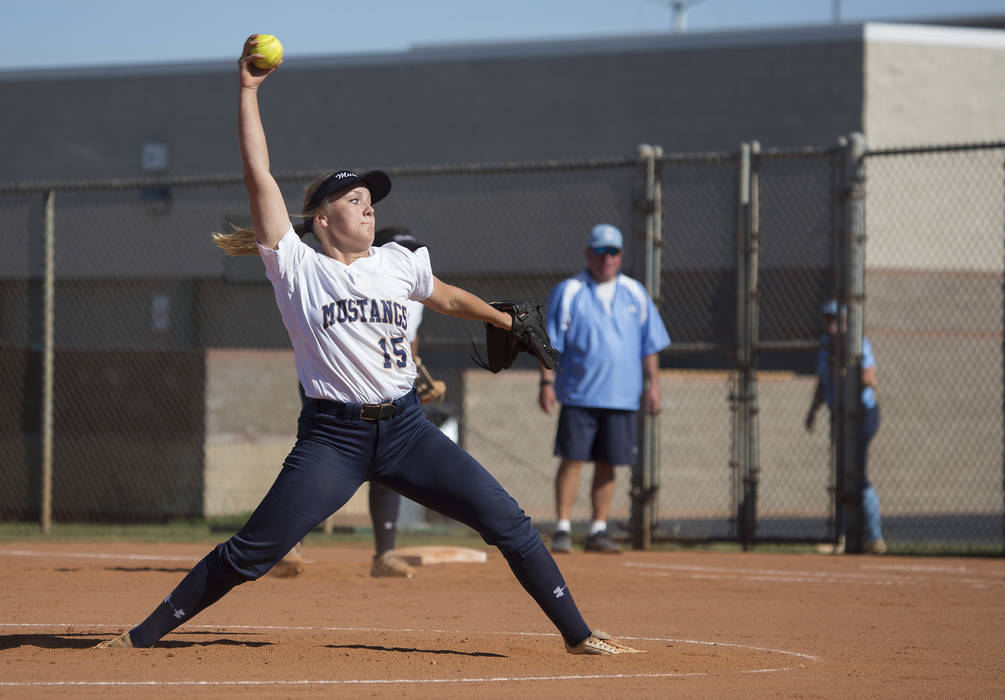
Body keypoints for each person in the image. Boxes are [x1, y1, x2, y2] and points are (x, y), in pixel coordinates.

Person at [96, 36, 638, 656]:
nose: (369, 208)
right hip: (334, 440)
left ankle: (579, 635)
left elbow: (450, 299)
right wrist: (247, 92)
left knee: (508, 521)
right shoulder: (296, 265)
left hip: (407, 431)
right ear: (322, 219)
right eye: (354, 200)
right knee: (253, 552)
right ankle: (140, 636)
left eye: (371, 201)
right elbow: (258, 176)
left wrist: (505, 319)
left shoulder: (396, 263)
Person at [271, 228, 438, 580]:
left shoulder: (411, 290)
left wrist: (414, 373)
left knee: (388, 463)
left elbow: (409, 339)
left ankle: (385, 555)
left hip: (385, 396)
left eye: (412, 252)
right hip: (335, 387)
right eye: (402, 251)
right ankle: (289, 543)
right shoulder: (357, 278)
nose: (409, 258)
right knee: (324, 466)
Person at [538, 224, 670, 554]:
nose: (606, 258)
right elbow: (548, 344)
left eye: (613, 252)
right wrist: (546, 382)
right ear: (588, 254)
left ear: (621, 255)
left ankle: (598, 529)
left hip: (623, 396)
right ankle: (564, 529)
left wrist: (653, 386)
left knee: (609, 463)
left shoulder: (635, 293)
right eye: (600, 251)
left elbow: (649, 345)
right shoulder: (569, 290)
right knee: (572, 459)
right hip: (579, 394)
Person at [804, 300, 885, 554]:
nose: (832, 326)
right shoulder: (825, 347)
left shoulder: (857, 344)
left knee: (856, 475)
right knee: (841, 475)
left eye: (836, 321)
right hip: (838, 415)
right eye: (828, 321)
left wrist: (847, 369)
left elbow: (871, 379)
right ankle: (840, 537)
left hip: (862, 415)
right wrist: (813, 411)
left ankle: (873, 537)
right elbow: (822, 383)